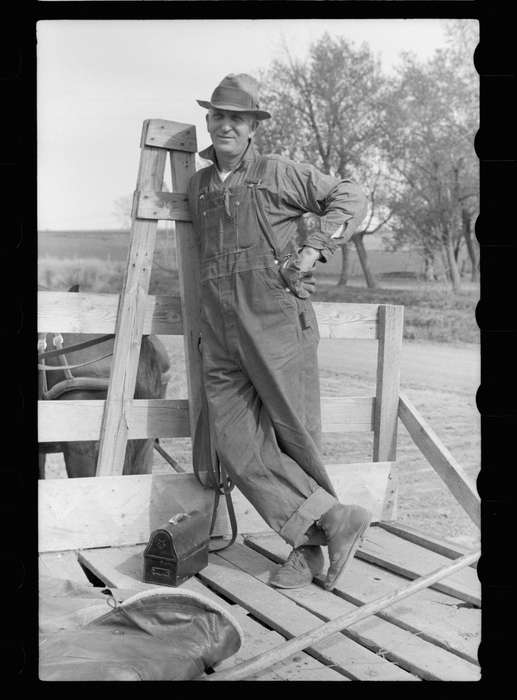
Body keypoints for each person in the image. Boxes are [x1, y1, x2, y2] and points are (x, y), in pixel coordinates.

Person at [188, 73, 371, 590]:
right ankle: (333, 520)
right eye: (219, 115)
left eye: (237, 119)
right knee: (236, 442)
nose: (226, 125)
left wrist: (313, 248)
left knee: (295, 438)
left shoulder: (277, 172)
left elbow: (350, 195)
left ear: (252, 128)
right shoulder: (199, 187)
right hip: (219, 331)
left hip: (275, 320)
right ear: (209, 121)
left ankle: (307, 549)